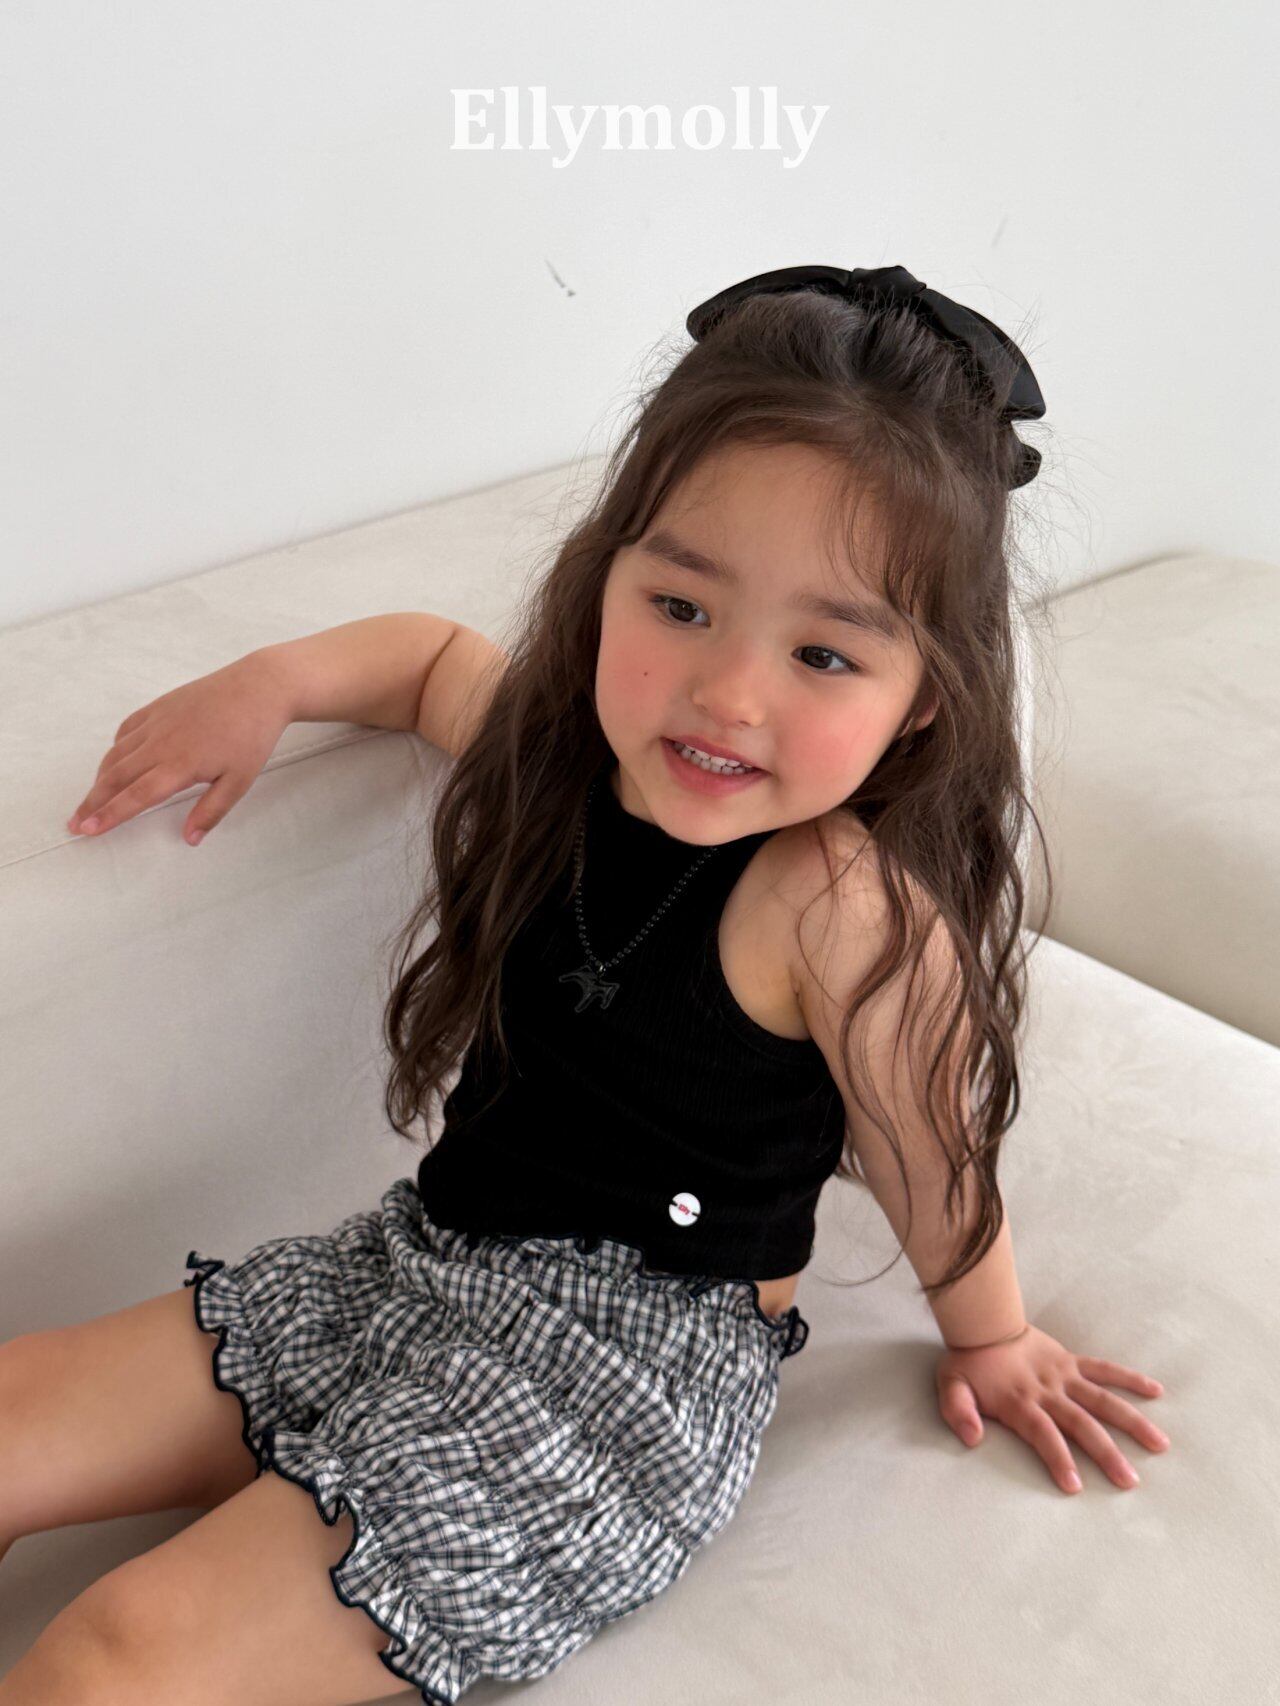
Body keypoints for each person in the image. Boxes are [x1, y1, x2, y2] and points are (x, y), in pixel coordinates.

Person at [7, 265, 1170, 1705]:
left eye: (821, 652)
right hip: (417, 1263)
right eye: (680, 603)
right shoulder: (558, 759)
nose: (727, 693)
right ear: (605, 576)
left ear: (922, 697)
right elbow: (426, 659)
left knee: (116, 1653)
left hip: (615, 1383)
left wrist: (995, 1338)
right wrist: (274, 680)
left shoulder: (837, 908)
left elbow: (935, 1157)